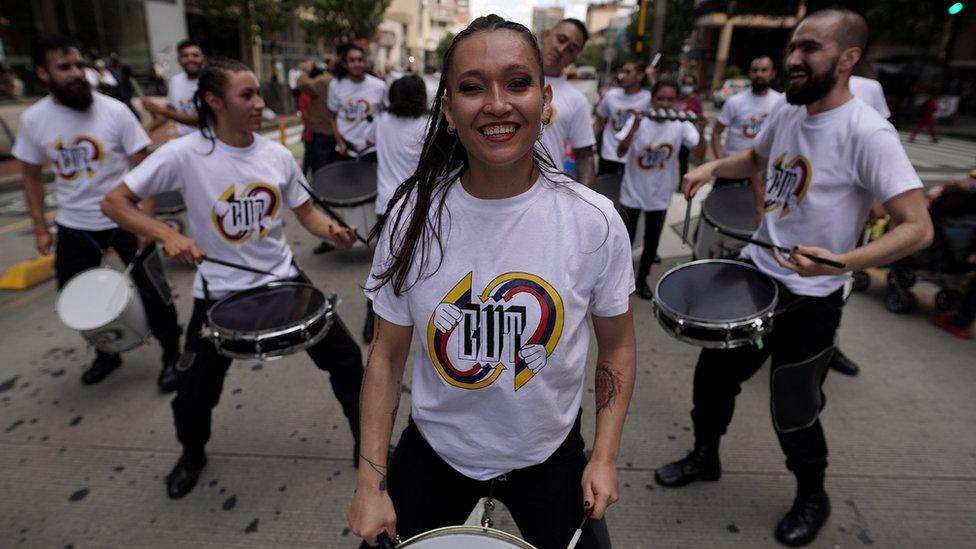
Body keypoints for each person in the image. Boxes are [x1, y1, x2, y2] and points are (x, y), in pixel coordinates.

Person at [347, 15, 636, 549]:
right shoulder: (413, 218)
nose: (497, 104)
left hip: (551, 454)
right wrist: (370, 482)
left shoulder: (594, 221)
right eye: (472, 87)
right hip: (437, 451)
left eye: (518, 83)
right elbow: (386, 355)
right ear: (449, 111)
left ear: (545, 101)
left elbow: (616, 347)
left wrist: (604, 456)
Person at [657, 10, 933, 547]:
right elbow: (754, 160)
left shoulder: (867, 132)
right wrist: (711, 169)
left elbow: (918, 227)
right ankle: (704, 456)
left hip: (813, 300)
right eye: (792, 48)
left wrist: (843, 262)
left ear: (848, 58)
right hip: (758, 279)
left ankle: (812, 494)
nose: (793, 60)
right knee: (712, 381)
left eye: (809, 48)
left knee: (795, 405)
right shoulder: (789, 112)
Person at [100, 58, 365, 500]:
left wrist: (331, 231)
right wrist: (167, 234)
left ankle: (367, 447)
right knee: (193, 391)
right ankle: (192, 454)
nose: (259, 103)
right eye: (247, 95)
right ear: (212, 101)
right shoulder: (185, 154)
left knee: (349, 361)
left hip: (283, 279)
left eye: (259, 93)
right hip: (219, 292)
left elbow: (306, 213)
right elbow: (115, 202)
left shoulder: (277, 155)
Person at [13, 35, 182, 390]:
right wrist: (41, 228)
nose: (77, 73)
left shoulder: (115, 111)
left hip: (126, 220)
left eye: (79, 65)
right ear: (43, 73)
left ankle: (172, 354)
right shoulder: (34, 120)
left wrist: (147, 224)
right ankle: (107, 353)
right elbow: (30, 176)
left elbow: (145, 169)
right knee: (79, 298)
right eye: (65, 67)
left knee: (153, 292)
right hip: (75, 226)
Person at [617, 79, 704, 300]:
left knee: (652, 241)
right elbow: (619, 152)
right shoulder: (638, 120)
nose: (664, 103)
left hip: (659, 195)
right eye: (660, 98)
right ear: (652, 98)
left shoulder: (680, 124)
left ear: (675, 102)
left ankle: (642, 279)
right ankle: (618, 281)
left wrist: (700, 126)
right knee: (624, 239)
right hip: (632, 192)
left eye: (670, 99)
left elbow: (700, 153)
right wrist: (634, 128)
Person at [829, 73, 891, 377]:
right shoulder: (813, 80)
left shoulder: (869, 89)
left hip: (848, 211)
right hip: (805, 202)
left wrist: (875, 199)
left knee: (840, 281)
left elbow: (881, 145)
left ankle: (827, 344)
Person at [363, 74, 430, 343]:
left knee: (383, 266)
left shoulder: (382, 122)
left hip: (386, 205)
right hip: (420, 205)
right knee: (425, 264)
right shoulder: (428, 125)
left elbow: (366, 141)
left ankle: (373, 320)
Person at [711, 55, 782, 194]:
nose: (759, 74)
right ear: (750, 73)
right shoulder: (735, 101)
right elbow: (716, 132)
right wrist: (720, 161)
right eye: (755, 70)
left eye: (764, 70)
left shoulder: (780, 102)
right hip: (732, 169)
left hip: (763, 172)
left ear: (773, 73)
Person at [538, 18, 596, 186]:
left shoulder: (577, 100)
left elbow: (585, 157)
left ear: (575, 57)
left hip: (549, 192)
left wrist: (587, 206)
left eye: (571, 49)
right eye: (561, 39)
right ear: (546, 35)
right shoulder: (510, 80)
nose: (561, 49)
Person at [328, 43, 387, 161]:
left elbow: (385, 115)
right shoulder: (335, 85)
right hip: (346, 148)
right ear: (345, 64)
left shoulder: (379, 86)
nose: (357, 64)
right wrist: (340, 143)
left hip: (372, 149)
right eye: (352, 60)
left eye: (360, 60)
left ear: (365, 62)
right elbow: (331, 117)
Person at [593, 61, 651, 175]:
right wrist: (590, 145)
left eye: (628, 72)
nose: (622, 75)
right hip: (609, 154)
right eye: (622, 71)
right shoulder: (611, 95)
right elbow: (599, 121)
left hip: (633, 156)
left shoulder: (648, 98)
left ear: (639, 76)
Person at [143, 39, 205, 137]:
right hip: (184, 139)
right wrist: (147, 130)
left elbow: (199, 120)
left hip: (209, 139)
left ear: (204, 58)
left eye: (195, 55)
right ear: (178, 60)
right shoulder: (175, 81)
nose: (190, 59)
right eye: (185, 55)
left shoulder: (212, 82)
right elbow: (171, 110)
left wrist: (158, 109)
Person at [297, 59, 336, 176]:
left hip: (321, 130)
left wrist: (304, 71)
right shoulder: (344, 81)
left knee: (320, 170)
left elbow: (302, 84)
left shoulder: (323, 81)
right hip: (339, 133)